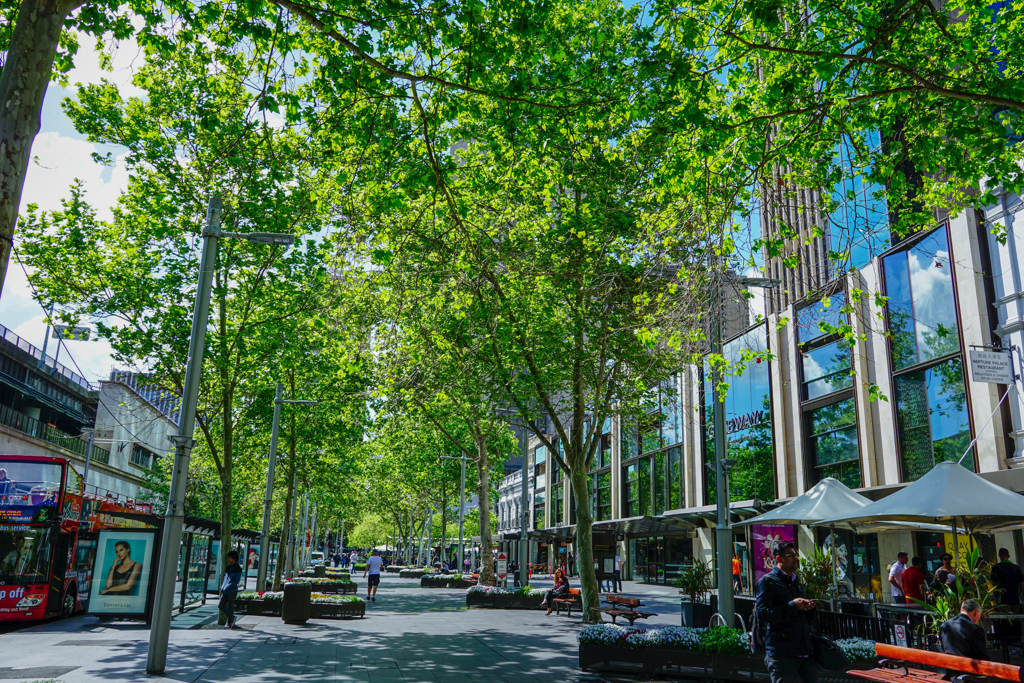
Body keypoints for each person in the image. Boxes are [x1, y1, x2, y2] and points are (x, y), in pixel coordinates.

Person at [755, 542, 818, 683]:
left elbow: (801, 615)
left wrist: (809, 608)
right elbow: (762, 614)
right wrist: (793, 606)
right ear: (779, 559)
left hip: (804, 650)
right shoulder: (767, 581)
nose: (796, 559)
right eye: (791, 555)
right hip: (782, 653)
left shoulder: (795, 580)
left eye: (795, 555)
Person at [939, 598, 989, 678]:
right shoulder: (975, 629)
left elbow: (944, 648)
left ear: (961, 611)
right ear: (976, 612)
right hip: (970, 676)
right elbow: (982, 656)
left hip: (951, 674)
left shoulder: (945, 625)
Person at [990, 548, 1024, 640]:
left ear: (999, 556)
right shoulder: (1016, 568)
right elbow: (1022, 584)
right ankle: (1017, 642)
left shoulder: (996, 568)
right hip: (1016, 599)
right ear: (1008, 556)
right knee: (1016, 621)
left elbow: (994, 584)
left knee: (1005, 621)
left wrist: (995, 597)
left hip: (1003, 599)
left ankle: (1006, 642)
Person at [220, 550, 243, 629]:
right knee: (220, 605)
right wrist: (222, 587)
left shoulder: (238, 568)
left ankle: (229, 621)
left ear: (234, 559)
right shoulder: (228, 567)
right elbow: (225, 579)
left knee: (230, 606)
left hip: (232, 590)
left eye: (230, 558)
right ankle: (231, 617)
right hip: (225, 590)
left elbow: (236, 581)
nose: (228, 559)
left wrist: (228, 586)